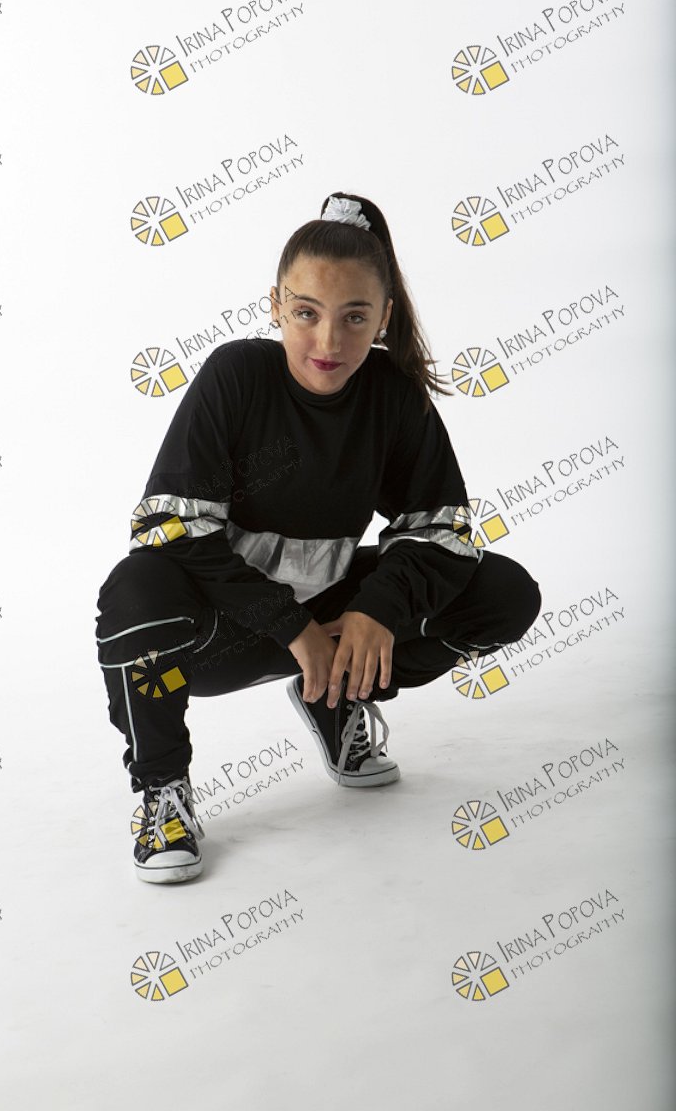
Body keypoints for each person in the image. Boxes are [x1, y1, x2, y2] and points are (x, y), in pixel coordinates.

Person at [95, 192, 541, 884]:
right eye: (306, 313)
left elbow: (443, 530)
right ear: (275, 305)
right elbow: (170, 528)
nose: (328, 343)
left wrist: (376, 610)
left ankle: (333, 699)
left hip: (332, 633)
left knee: (503, 592)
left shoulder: (393, 396)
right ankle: (163, 793)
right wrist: (291, 626)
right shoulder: (236, 376)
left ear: (384, 316)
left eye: (354, 317)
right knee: (135, 595)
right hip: (219, 638)